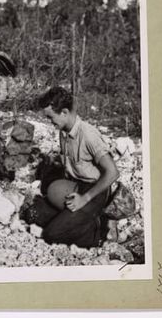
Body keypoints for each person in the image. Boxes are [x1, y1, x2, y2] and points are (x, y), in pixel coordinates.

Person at [28, 86, 120, 248]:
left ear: (64, 112)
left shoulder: (88, 135)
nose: (50, 122)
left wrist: (84, 199)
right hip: (77, 186)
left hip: (95, 192)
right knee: (33, 214)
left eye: (51, 118)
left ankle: (99, 230)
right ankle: (76, 219)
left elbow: (112, 172)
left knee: (51, 234)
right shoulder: (63, 131)